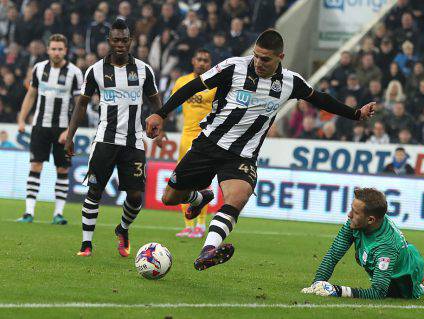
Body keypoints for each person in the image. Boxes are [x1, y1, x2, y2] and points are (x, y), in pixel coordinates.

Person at [145, 29, 375, 271]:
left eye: (265, 58)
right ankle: (200, 197)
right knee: (170, 198)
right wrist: (161, 113)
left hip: (242, 155)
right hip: (208, 144)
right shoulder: (233, 67)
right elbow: (193, 87)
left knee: (238, 196)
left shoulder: (290, 82)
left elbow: (320, 99)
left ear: (280, 57)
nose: (258, 62)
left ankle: (208, 249)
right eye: (256, 56)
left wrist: (356, 114)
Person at [64, 20, 162, 257]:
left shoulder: (143, 70)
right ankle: (86, 244)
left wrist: (158, 121)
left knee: (136, 196)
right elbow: (81, 105)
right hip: (105, 140)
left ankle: (123, 228)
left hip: (133, 141)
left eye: (124, 40)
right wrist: (70, 135)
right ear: (109, 41)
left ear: (131, 41)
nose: (120, 44)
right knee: (94, 191)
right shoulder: (96, 70)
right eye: (116, 40)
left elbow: (156, 100)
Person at [301, 188, 424, 299]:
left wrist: (338, 290)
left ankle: (416, 288)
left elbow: (378, 293)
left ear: (370, 220)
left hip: (403, 275)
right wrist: (317, 284)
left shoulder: (385, 247)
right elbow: (333, 254)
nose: (349, 215)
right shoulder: (357, 223)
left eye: (355, 212)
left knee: (396, 295)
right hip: (399, 255)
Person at [16, 34, 83, 225]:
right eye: (53, 48)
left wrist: (70, 131)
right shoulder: (39, 68)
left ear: (66, 50)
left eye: (60, 49)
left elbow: (80, 106)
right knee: (35, 165)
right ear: (48, 50)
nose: (56, 52)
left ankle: (58, 214)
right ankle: (28, 212)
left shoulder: (75, 73)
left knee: (62, 168)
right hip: (40, 126)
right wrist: (21, 119)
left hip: (63, 128)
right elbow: (31, 95)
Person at [173, 49, 216, 239]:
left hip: (205, 139)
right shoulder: (182, 82)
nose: (202, 63)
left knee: (202, 183)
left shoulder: (215, 84)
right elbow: (172, 104)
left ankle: (201, 225)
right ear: (193, 60)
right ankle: (188, 225)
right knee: (182, 181)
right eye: (199, 59)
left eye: (205, 60)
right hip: (185, 138)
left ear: (210, 63)